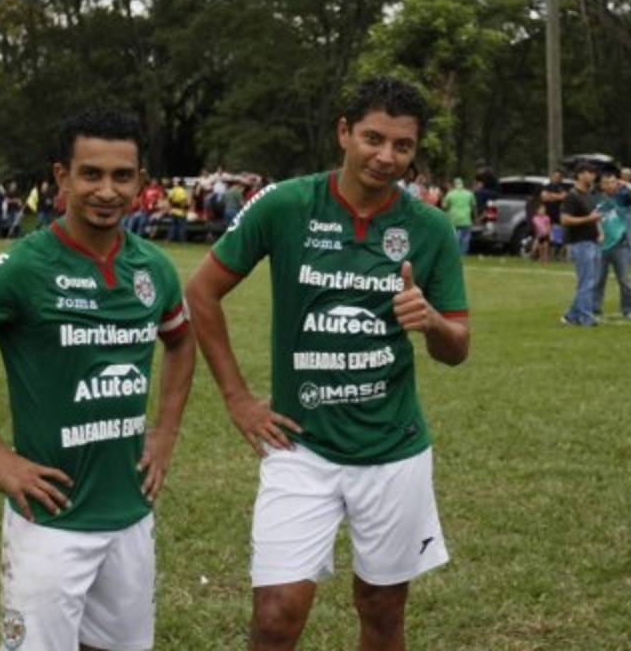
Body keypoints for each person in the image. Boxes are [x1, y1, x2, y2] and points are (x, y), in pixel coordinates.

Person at [185, 75, 469, 651]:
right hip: (301, 448)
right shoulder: (286, 205)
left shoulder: (430, 229)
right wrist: (238, 398)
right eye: (373, 138)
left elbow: (455, 348)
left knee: (383, 610)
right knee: (276, 615)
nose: (386, 157)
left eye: (403, 147)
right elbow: (201, 292)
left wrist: (432, 322)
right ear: (344, 133)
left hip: (394, 451)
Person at [0, 108, 196, 650]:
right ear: (61, 177)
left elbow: (180, 340)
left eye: (122, 176)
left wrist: (167, 430)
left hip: (130, 513)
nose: (107, 190)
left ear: (140, 182)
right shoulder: (24, 267)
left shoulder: (155, 268)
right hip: (50, 521)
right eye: (91, 174)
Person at [560, 162, 601, 327]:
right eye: (590, 172)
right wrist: (588, 219)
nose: (593, 176)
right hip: (580, 243)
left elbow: (595, 216)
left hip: (592, 241)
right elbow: (564, 219)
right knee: (586, 282)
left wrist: (600, 231)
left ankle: (572, 315)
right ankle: (586, 317)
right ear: (580, 175)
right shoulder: (572, 196)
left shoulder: (588, 195)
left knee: (588, 281)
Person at [592, 169, 631, 319]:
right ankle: (595, 309)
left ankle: (628, 309)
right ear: (601, 185)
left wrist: (624, 183)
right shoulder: (595, 199)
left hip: (620, 245)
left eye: (612, 182)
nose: (610, 185)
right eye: (606, 183)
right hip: (601, 245)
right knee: (598, 280)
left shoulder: (622, 197)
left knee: (624, 281)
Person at [441, 176, 476, 255]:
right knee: (465, 238)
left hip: (453, 219)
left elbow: (444, 206)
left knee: (454, 237)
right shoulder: (469, 193)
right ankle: (463, 253)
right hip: (466, 219)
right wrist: (475, 218)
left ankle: (455, 252)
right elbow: (474, 206)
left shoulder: (450, 194)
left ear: (454, 184)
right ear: (462, 184)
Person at [541, 170, 568, 262]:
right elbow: (544, 196)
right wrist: (557, 196)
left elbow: (564, 196)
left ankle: (557, 255)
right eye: (555, 176)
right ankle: (546, 256)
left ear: (561, 178)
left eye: (558, 176)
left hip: (558, 215)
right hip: (547, 216)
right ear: (551, 177)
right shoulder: (546, 186)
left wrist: (551, 196)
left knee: (558, 237)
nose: (556, 178)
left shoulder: (562, 187)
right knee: (546, 236)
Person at [167, 178, 189, 242]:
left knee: (173, 226)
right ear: (182, 184)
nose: (185, 185)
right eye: (185, 184)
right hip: (180, 211)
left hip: (173, 210)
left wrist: (172, 205)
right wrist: (184, 208)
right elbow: (183, 200)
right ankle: (182, 240)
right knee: (182, 227)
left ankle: (169, 239)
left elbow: (169, 199)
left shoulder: (174, 189)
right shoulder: (183, 191)